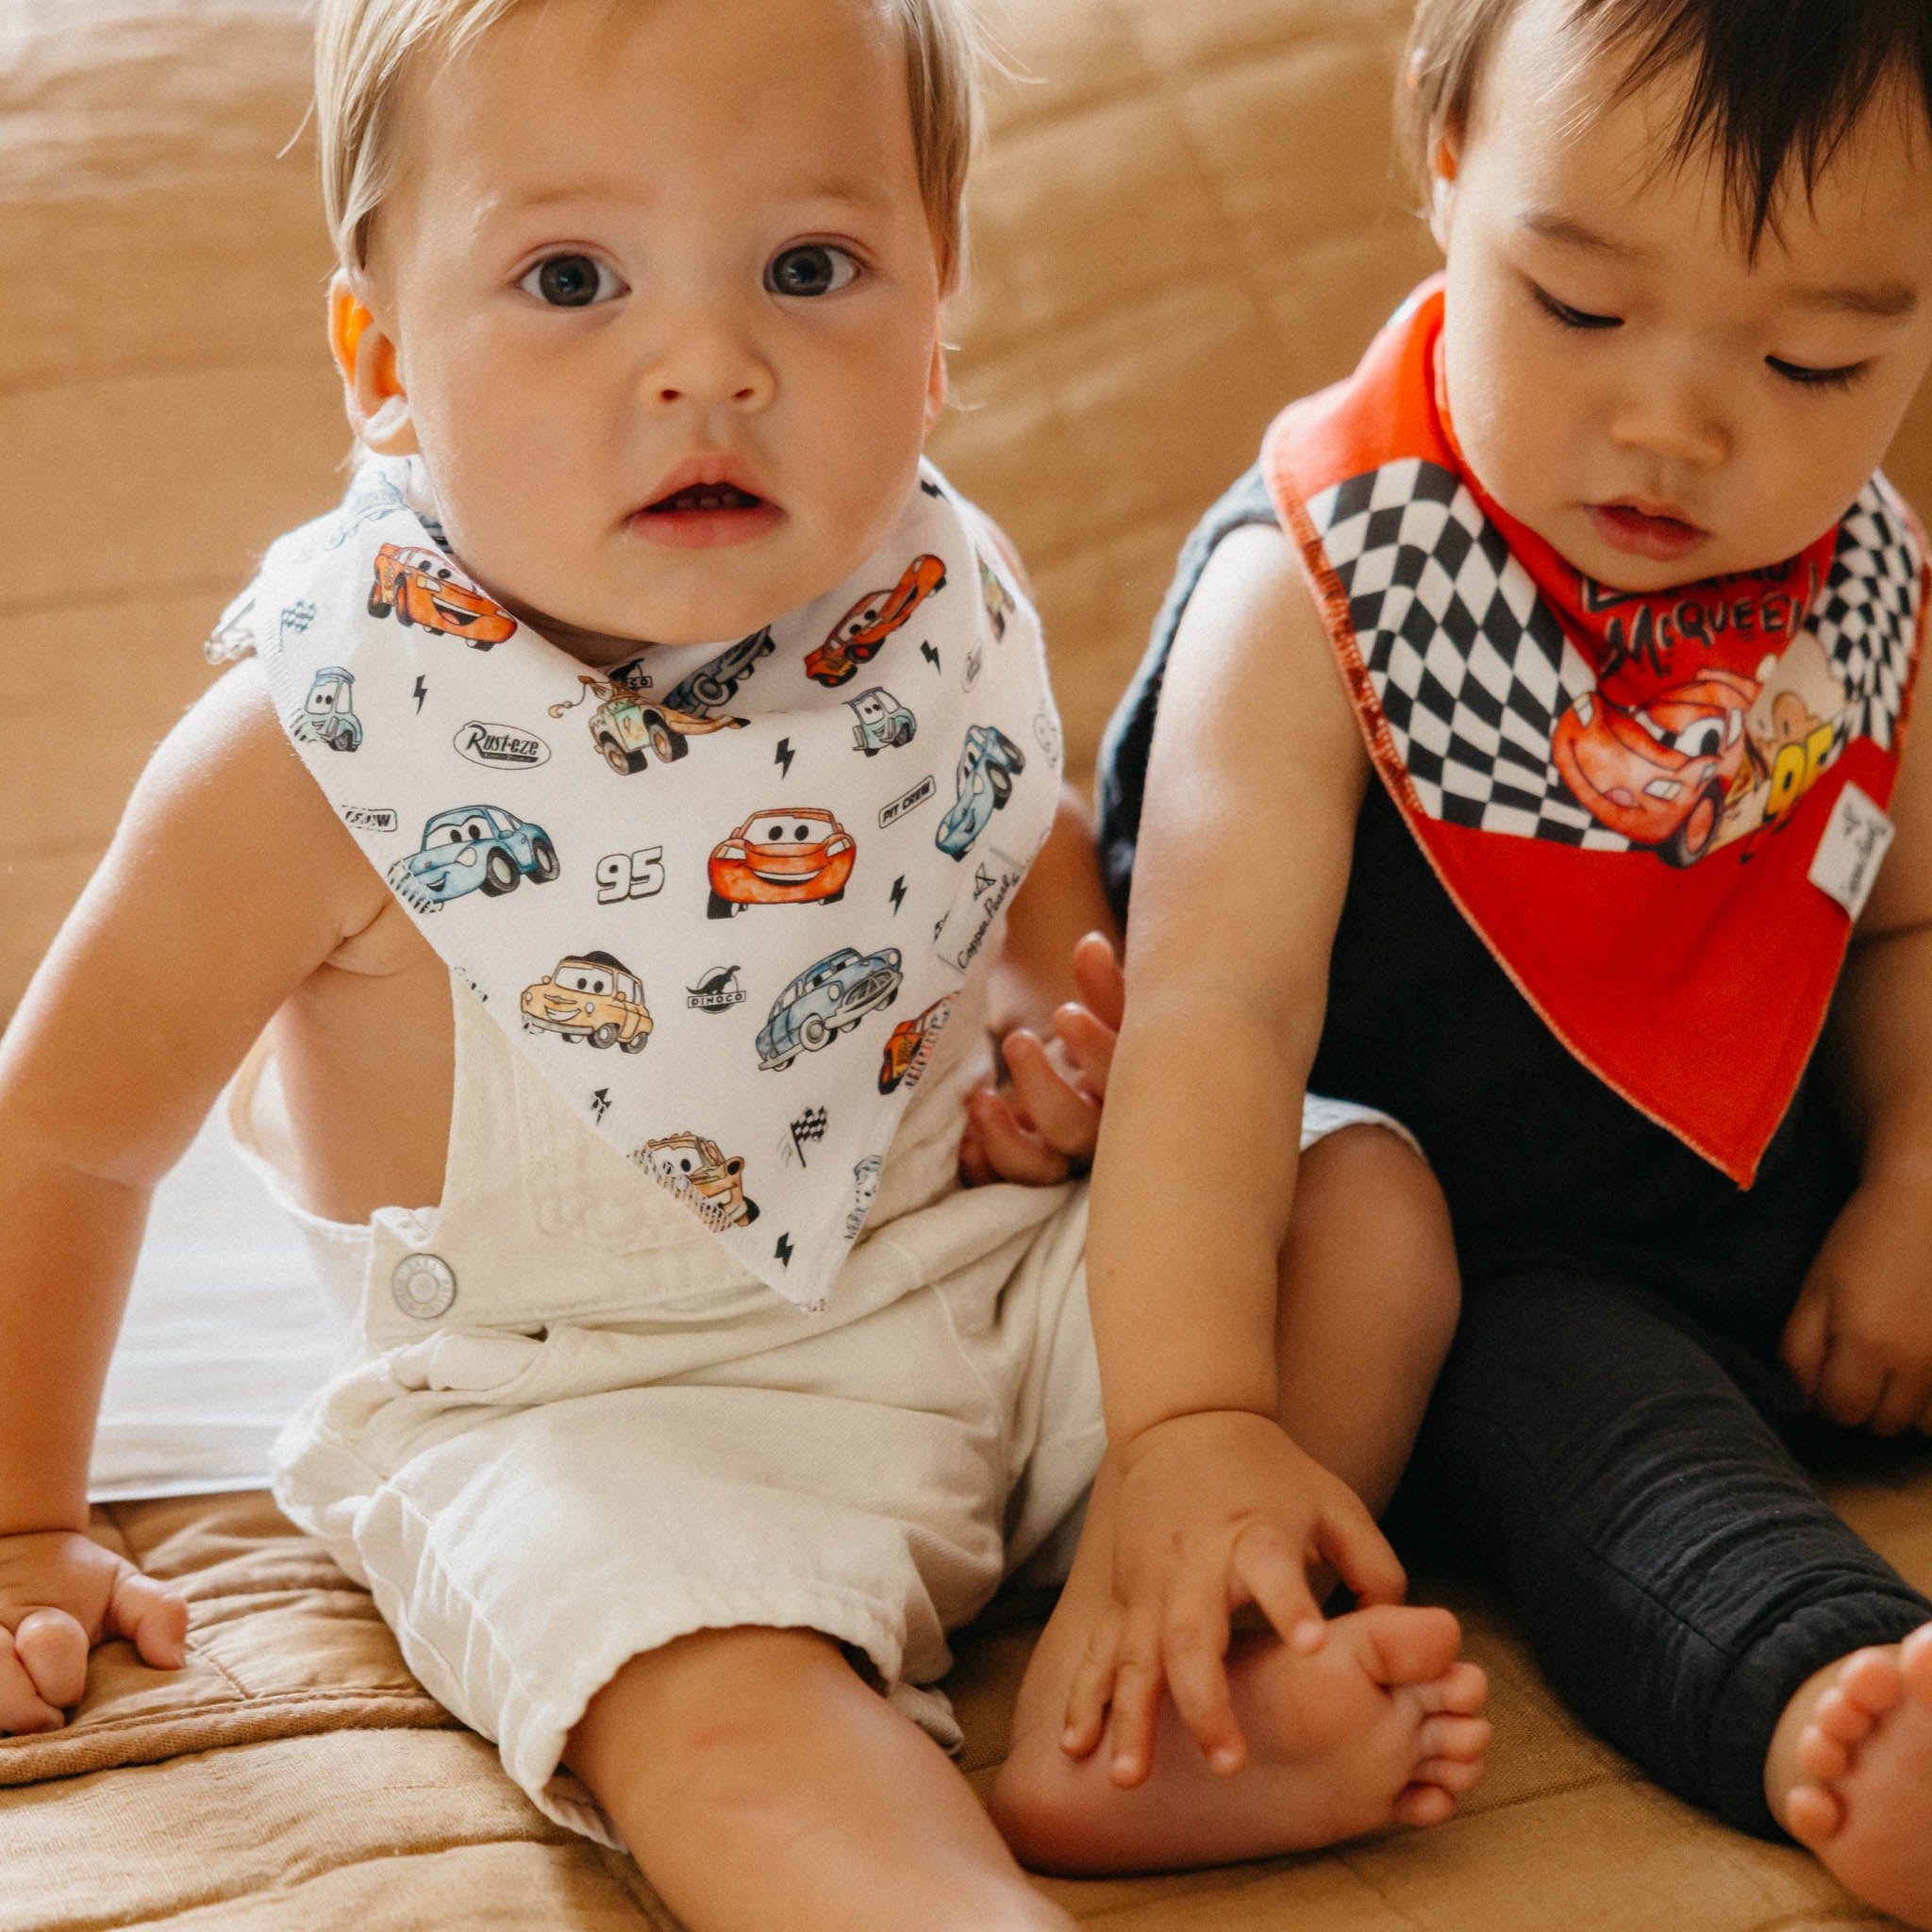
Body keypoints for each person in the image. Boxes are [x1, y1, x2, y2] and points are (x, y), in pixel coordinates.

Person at [0, 1, 1489, 1925]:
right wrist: (23, 1520)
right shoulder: (324, 740)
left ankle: (1141, 1658)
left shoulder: (921, 607)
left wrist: (1050, 1041)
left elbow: (1012, 854)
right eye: (570, 280)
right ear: (381, 362)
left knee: (1363, 1211)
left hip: (969, 1282)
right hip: (601, 1417)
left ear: (937, 316)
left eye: (807, 268)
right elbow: (67, 1133)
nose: (709, 363)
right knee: (709, 1705)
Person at [1088, 0, 1932, 1921]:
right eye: (1578, 306)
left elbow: (1910, 922)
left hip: (1801, 1209)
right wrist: (1195, 1426)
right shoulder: (1322, 591)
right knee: (1623, 1457)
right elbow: (1213, 1025)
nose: (1675, 425)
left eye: (1815, 359)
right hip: (1484, 1264)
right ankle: (1840, 1701)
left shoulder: (1865, 583)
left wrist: (1914, 1178)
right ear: (1449, 175)